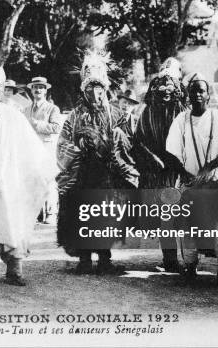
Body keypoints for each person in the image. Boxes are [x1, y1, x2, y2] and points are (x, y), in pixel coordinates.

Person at [0, 67, 56, 288]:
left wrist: (41, 169)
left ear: (3, 88)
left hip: (7, 179)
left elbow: (28, 145)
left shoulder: (13, 115)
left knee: (10, 221)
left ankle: (14, 271)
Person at [57, 51, 139, 274]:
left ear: (105, 90)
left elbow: (130, 140)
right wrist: (78, 147)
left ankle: (104, 258)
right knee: (83, 213)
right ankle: (84, 259)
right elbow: (62, 143)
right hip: (82, 173)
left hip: (107, 174)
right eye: (90, 89)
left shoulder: (116, 114)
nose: (95, 93)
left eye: (99, 89)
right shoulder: (74, 116)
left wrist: (115, 143)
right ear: (84, 91)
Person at [166, 72, 218, 287]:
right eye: (193, 90)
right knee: (188, 226)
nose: (197, 94)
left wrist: (209, 167)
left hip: (216, 179)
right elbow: (171, 151)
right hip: (190, 182)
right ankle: (190, 268)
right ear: (187, 95)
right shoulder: (181, 119)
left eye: (201, 90)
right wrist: (186, 174)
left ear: (208, 95)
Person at [133, 70, 189, 273]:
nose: (166, 93)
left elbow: (188, 139)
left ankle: (187, 259)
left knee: (181, 217)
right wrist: (152, 159)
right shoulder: (147, 112)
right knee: (165, 216)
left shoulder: (183, 111)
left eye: (170, 89)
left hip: (179, 170)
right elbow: (138, 141)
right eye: (162, 89)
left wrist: (180, 162)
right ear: (154, 91)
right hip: (157, 173)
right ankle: (170, 259)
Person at [24, 76, 62, 224]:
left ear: (45, 91)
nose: (38, 90)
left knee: (49, 181)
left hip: (46, 150)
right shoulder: (26, 109)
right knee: (32, 182)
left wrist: (37, 124)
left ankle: (52, 213)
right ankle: (36, 213)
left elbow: (56, 127)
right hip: (30, 151)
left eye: (41, 87)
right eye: (35, 87)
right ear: (31, 90)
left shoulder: (53, 108)